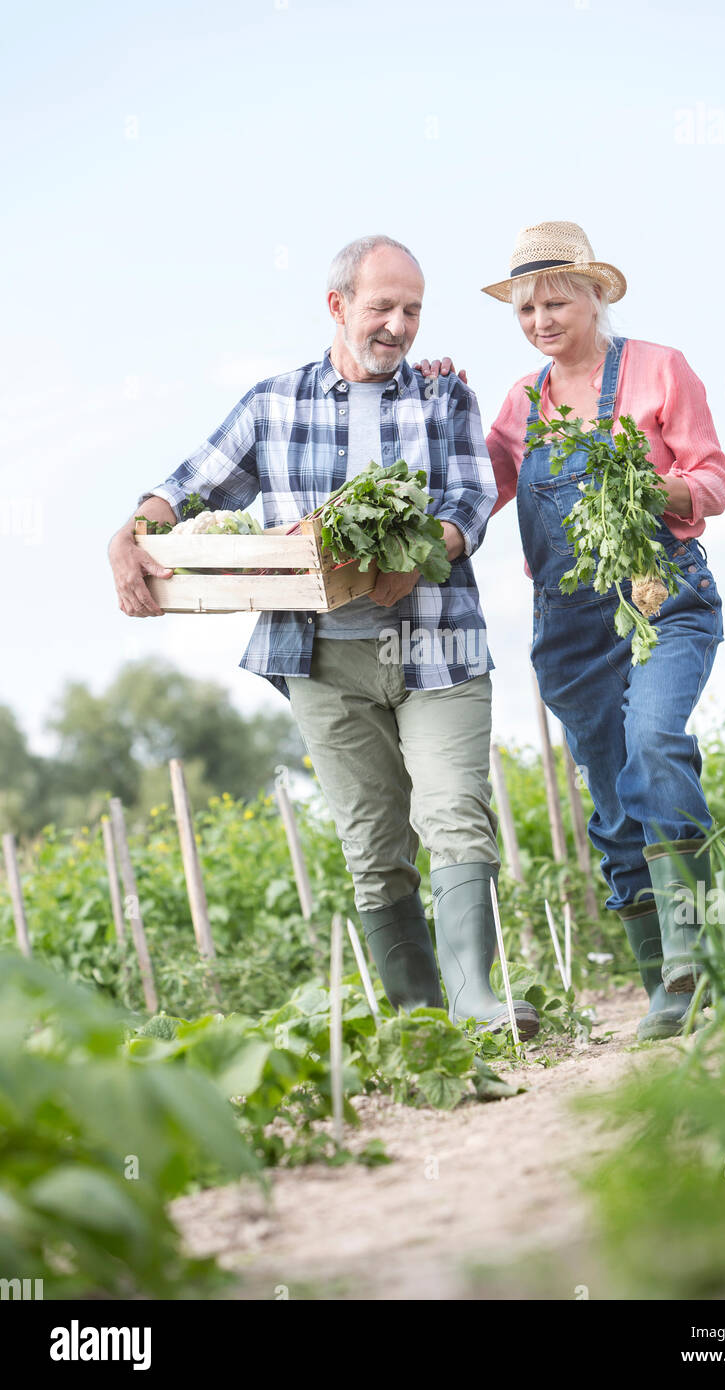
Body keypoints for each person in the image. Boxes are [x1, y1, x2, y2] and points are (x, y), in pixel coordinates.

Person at [107, 234, 540, 1039]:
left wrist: (425, 554)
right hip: (319, 656)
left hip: (434, 644)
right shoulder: (273, 402)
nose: (399, 326)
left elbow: (472, 501)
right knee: (374, 845)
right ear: (337, 306)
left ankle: (478, 1004)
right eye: (382, 307)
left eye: (413, 310)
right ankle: (420, 1022)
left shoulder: (443, 397)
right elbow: (186, 486)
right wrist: (130, 533)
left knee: (454, 814)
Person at [421, 220, 725, 1040]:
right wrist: (436, 397)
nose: (540, 321)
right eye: (526, 310)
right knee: (611, 793)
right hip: (570, 625)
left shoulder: (662, 370)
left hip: (663, 596)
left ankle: (695, 961)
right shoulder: (523, 401)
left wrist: (647, 487)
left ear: (596, 295)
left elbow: (711, 480)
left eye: (555, 302)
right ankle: (658, 982)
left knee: (656, 744)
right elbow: (475, 485)